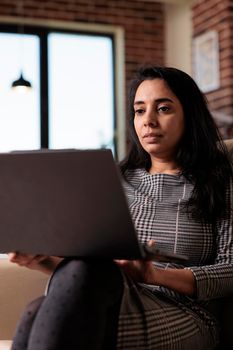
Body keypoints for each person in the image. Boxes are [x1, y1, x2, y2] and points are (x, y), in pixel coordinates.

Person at [9, 65, 233, 350]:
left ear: (190, 115)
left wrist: (155, 275)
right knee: (65, 286)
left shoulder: (220, 180)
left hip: (183, 312)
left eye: (163, 109)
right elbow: (83, 272)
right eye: (139, 110)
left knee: (37, 314)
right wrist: (39, 258)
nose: (148, 121)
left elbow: (231, 270)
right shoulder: (114, 179)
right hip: (107, 296)